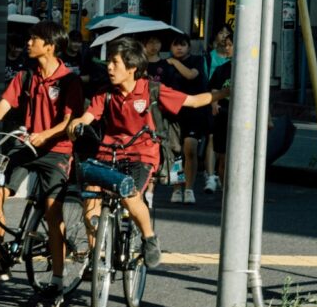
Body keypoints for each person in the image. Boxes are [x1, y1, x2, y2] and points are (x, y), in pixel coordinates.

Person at [66, 38, 229, 269]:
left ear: (132, 68)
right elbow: (90, 114)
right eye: (108, 62)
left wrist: (225, 93)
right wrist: (79, 122)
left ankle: (149, 238)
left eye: (114, 62)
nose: (109, 67)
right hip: (108, 152)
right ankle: (95, 255)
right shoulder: (105, 92)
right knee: (90, 200)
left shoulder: (151, 89)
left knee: (129, 195)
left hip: (141, 155)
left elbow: (193, 101)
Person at [0, 21, 83, 307]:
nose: (28, 42)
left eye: (34, 38)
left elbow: (68, 122)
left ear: (49, 45)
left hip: (57, 152)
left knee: (52, 210)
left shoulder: (70, 81)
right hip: (26, 147)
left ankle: (58, 281)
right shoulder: (24, 77)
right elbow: (0, 109)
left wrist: (45, 134)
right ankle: (0, 261)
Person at [162, 35, 207, 204]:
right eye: (175, 45)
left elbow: (190, 75)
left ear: (189, 47)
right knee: (175, 152)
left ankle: (189, 188)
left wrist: (174, 62)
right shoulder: (165, 65)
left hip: (194, 110)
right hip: (173, 113)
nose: (179, 48)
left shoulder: (197, 60)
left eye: (183, 45)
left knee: (190, 148)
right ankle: (176, 188)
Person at [202, 25, 233, 193]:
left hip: (240, 118)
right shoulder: (220, 67)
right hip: (221, 113)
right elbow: (213, 87)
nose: (226, 47)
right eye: (225, 42)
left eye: (230, 43)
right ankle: (213, 177)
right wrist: (214, 102)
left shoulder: (249, 69)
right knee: (218, 148)